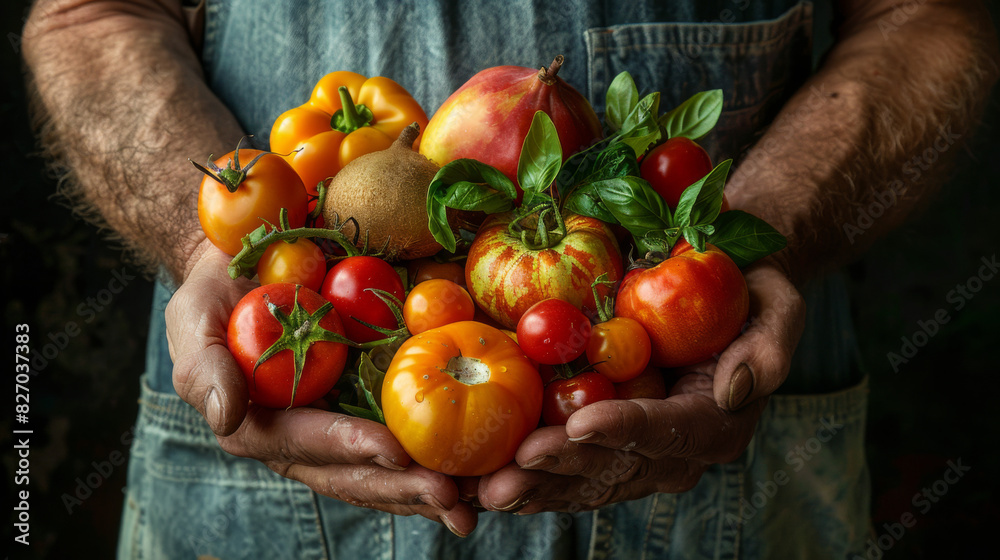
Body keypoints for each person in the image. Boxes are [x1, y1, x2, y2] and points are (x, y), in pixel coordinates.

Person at [22, 0, 997, 558]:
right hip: (260, 453)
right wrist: (205, 249)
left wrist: (760, 246)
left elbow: (929, 17)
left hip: (733, 434)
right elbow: (86, 14)